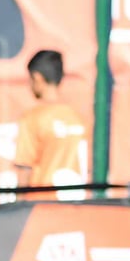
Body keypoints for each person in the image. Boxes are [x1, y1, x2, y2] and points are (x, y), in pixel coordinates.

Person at [14, 49, 88, 200]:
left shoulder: (32, 118)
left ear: (38, 78)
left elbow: (25, 168)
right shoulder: (79, 118)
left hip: (42, 205)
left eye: (30, 79)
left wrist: (17, 210)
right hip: (75, 208)